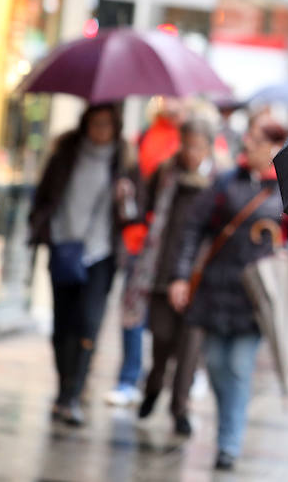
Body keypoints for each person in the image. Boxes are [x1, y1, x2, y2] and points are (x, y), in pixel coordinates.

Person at [170, 109, 288, 471]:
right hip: (215, 290)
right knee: (215, 364)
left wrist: (287, 251)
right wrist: (181, 276)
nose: (249, 144)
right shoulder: (226, 182)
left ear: (277, 146)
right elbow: (192, 228)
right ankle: (228, 428)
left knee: (239, 367)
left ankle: (228, 442)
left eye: (258, 140)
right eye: (249, 138)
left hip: (256, 298)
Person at [29, 103, 135, 426]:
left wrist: (125, 198)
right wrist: (42, 226)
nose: (100, 130)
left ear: (115, 127)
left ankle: (73, 394)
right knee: (63, 324)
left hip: (101, 254)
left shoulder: (125, 162)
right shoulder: (65, 153)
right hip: (64, 247)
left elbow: (135, 213)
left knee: (88, 324)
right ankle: (63, 388)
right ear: (85, 123)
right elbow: (43, 195)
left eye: (106, 124)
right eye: (95, 123)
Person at [127, 118, 217, 436]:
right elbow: (144, 207)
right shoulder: (166, 173)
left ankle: (180, 408)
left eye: (196, 146)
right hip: (163, 269)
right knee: (162, 339)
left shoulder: (218, 181)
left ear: (208, 147)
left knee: (190, 346)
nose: (190, 152)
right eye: (186, 144)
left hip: (198, 276)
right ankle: (153, 386)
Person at [106, 97, 187, 407]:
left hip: (174, 248)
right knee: (132, 310)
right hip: (141, 241)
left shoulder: (196, 140)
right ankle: (129, 377)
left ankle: (172, 377)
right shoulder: (144, 137)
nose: (172, 104)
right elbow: (136, 185)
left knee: (168, 319)